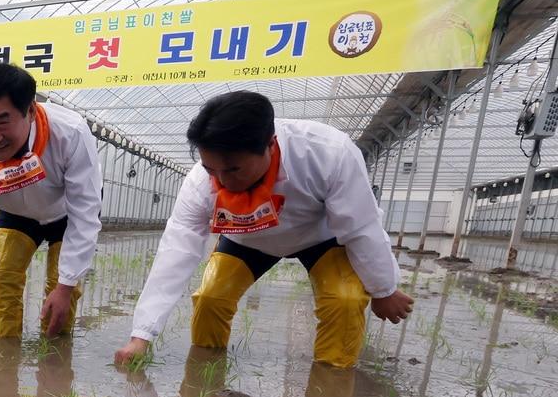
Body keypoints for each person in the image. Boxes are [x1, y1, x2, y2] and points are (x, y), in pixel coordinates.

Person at [114, 91, 414, 369]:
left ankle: (330, 387)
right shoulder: (199, 183)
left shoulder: (327, 153)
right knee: (209, 299)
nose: (221, 180)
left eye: (233, 169)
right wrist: (141, 336)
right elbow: (176, 251)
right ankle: (206, 373)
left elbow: (361, 226)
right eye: (210, 169)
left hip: (320, 236)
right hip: (246, 238)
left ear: (270, 145)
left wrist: (384, 289)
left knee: (345, 301)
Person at [0, 63, 104, 346]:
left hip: (65, 215)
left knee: (63, 296)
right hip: (14, 213)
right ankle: (4, 358)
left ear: (31, 111)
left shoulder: (70, 133)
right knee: (3, 280)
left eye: (3, 122)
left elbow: (85, 214)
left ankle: (55, 358)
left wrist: (65, 286)